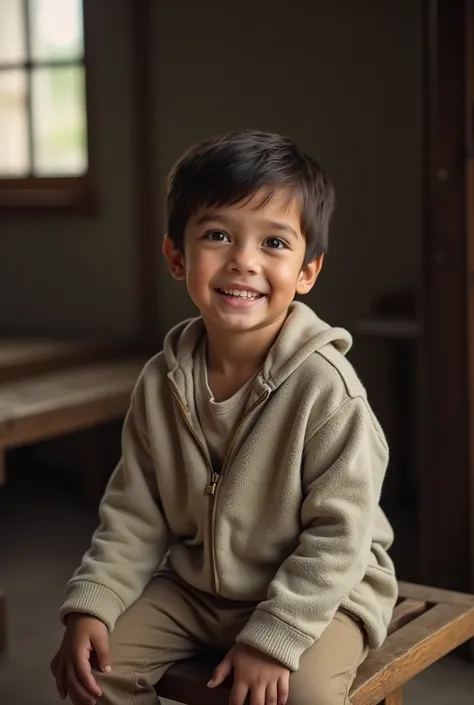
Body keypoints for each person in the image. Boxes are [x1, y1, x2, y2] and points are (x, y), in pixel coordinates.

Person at [50, 130, 397, 705]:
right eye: (217, 235)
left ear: (307, 272)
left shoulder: (326, 389)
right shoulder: (161, 382)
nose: (243, 260)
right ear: (177, 257)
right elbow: (134, 514)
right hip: (195, 590)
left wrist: (273, 638)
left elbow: (341, 536)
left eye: (275, 244)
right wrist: (94, 601)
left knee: (301, 695)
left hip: (322, 594)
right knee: (94, 667)